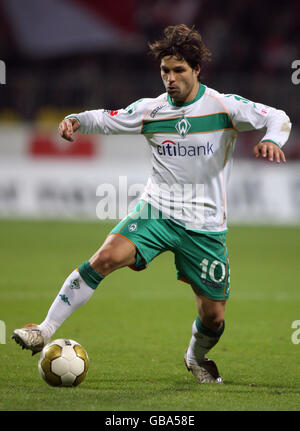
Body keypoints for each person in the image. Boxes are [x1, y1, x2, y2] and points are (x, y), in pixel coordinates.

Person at [12, 24, 291, 384]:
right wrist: (75, 120)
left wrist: (273, 140)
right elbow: (107, 119)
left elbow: (277, 117)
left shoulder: (224, 107)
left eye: (178, 71)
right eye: (165, 71)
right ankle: (44, 328)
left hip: (204, 226)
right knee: (105, 257)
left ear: (196, 70)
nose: (170, 79)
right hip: (156, 211)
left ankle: (195, 356)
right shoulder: (152, 110)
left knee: (214, 317)